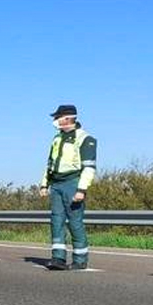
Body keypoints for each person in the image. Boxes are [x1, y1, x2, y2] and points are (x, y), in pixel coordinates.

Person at [40, 105, 97, 270]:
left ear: (67, 118)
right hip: (56, 184)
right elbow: (50, 163)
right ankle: (58, 258)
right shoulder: (56, 139)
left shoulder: (85, 138)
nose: (54, 121)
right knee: (56, 221)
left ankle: (80, 260)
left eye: (57, 117)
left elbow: (89, 168)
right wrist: (45, 183)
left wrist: (82, 189)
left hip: (73, 183)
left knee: (74, 222)